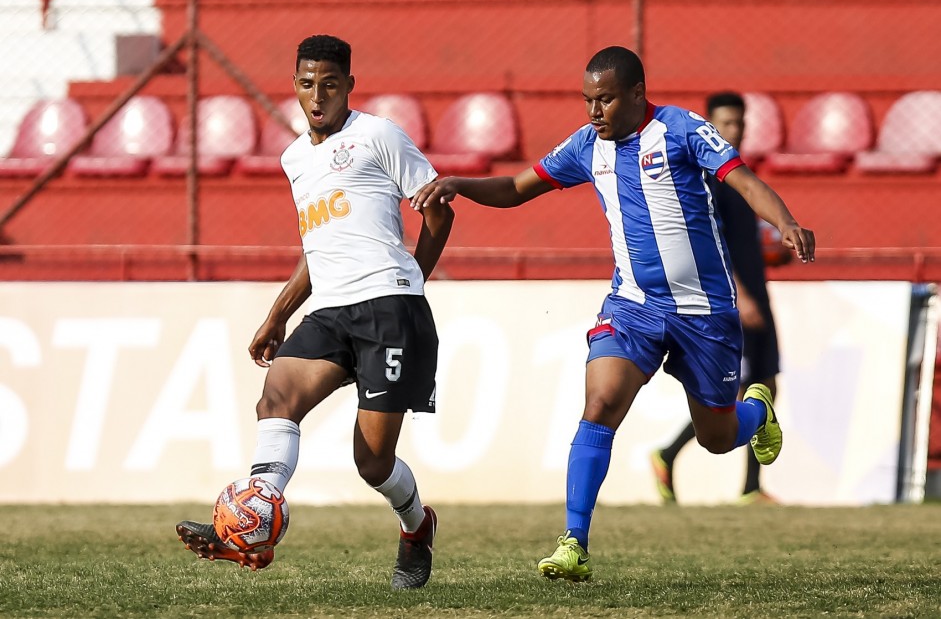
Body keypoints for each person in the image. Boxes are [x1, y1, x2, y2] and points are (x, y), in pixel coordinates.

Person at [411, 46, 814, 582]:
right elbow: (514, 188)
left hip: (705, 313)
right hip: (634, 307)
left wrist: (785, 221)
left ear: (637, 95)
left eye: (604, 100)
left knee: (716, 436)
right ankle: (573, 542)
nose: (593, 112)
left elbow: (741, 179)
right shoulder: (585, 146)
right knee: (600, 402)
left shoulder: (680, 129)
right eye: (587, 100)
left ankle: (756, 413)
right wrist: (461, 183)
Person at [175, 34, 454, 591]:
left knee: (372, 464)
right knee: (276, 399)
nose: (318, 95)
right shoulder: (294, 158)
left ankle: (416, 526)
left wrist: (411, 281)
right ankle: (251, 523)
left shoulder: (377, 135)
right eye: (307, 84)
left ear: (349, 85)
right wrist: (278, 314)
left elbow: (439, 210)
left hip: (389, 308)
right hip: (330, 309)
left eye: (330, 84)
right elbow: (318, 246)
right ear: (295, 86)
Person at [650, 91, 782, 506]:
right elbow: (713, 246)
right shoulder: (709, 181)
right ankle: (668, 455)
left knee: (766, 386)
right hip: (733, 301)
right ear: (709, 125)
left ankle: (750, 488)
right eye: (724, 124)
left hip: (756, 294)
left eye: (739, 124)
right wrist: (741, 294)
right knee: (735, 398)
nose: (733, 131)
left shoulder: (738, 176)